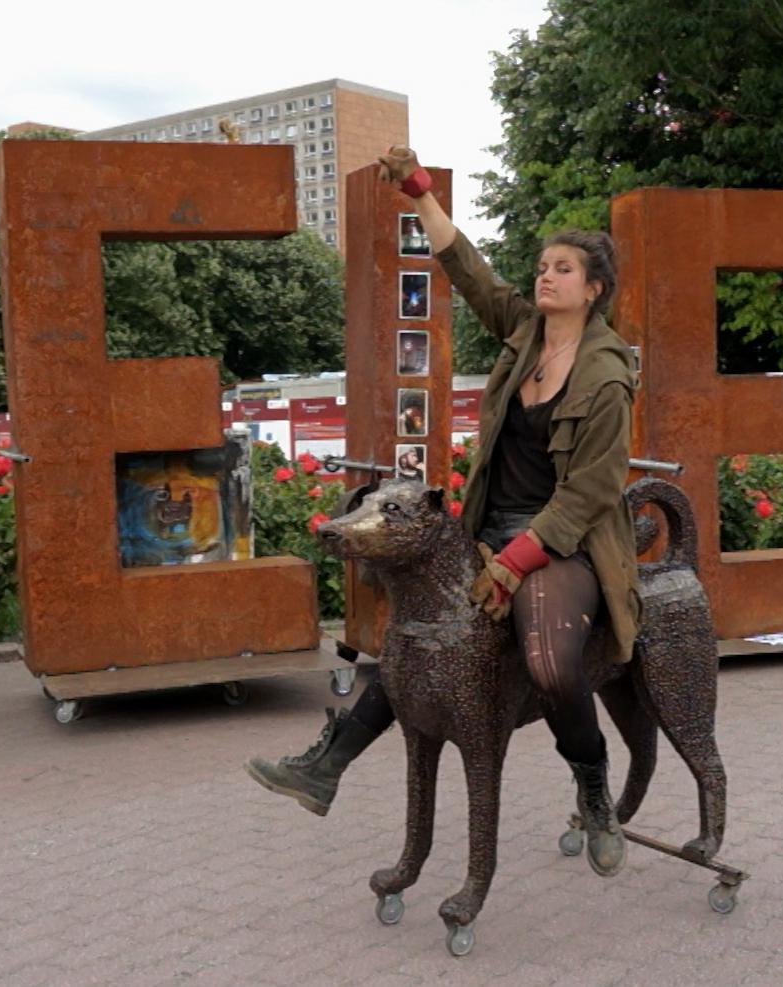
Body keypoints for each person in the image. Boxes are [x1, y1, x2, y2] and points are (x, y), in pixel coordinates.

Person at [246, 145, 643, 877]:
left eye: (561, 268)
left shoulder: (607, 371)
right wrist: (419, 189)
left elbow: (591, 489)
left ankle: (592, 789)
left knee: (551, 661)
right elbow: (468, 270)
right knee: (419, 636)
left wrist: (518, 559)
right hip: (486, 526)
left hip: (563, 541)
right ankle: (325, 765)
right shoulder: (523, 332)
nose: (544, 274)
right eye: (543, 264)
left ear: (593, 289)